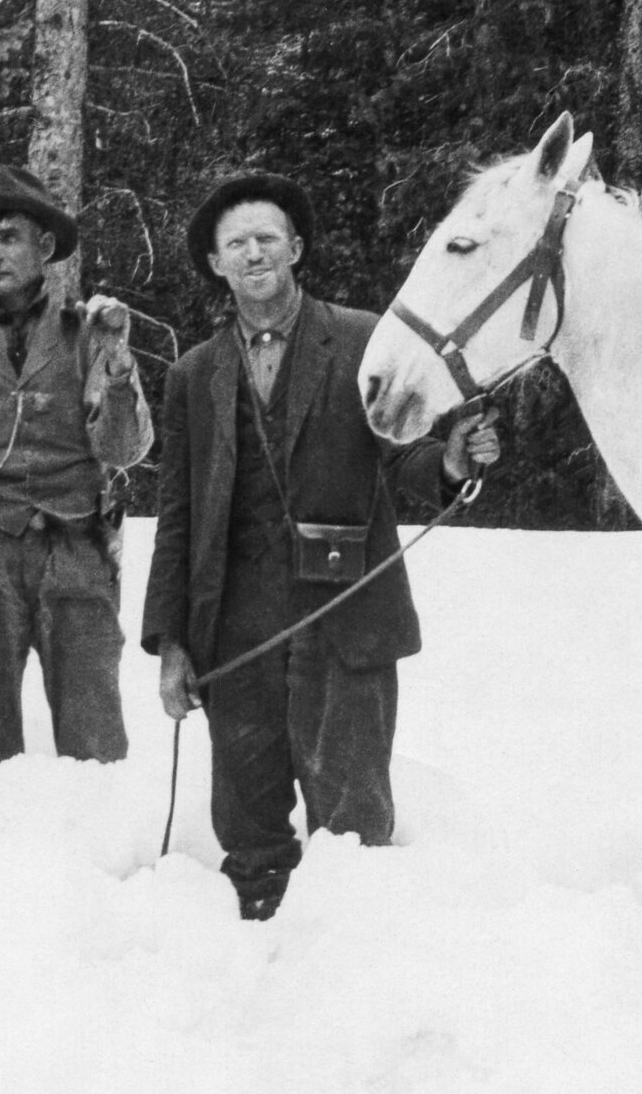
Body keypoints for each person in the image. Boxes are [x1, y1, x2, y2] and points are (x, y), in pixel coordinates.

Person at [141, 173, 499, 921]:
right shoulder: (192, 376)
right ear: (215, 264)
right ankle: (258, 977)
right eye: (234, 243)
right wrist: (173, 642)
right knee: (247, 832)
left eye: (267, 237)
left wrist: (455, 463)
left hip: (346, 622)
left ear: (297, 248)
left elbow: (405, 457)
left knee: (354, 829)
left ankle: (352, 980)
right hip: (235, 635)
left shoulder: (367, 340)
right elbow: (177, 517)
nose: (253, 253)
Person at [0, 163, 152, 768]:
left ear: (45, 246)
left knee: (95, 748)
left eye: (8, 237)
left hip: (74, 555)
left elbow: (124, 450)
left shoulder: (89, 334)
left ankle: (95, 860)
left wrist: (118, 360)